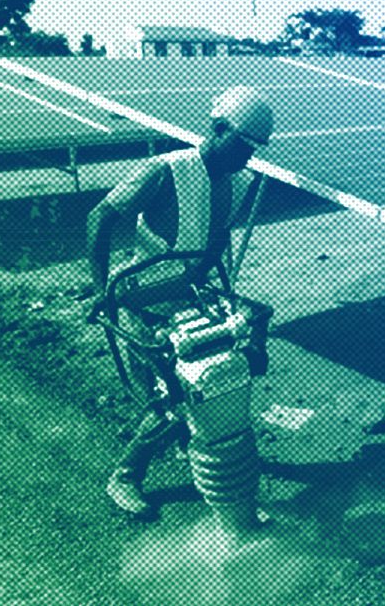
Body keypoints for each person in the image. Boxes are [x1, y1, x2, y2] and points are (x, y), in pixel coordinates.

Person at [87, 86, 275, 518]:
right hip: (142, 305)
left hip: (187, 302)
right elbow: (101, 216)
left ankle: (200, 454)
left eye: (254, 149)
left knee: (214, 383)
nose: (247, 157)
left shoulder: (238, 183)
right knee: (169, 402)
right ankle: (125, 476)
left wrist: (209, 281)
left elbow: (216, 238)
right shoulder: (165, 171)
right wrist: (101, 291)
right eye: (242, 145)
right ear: (218, 128)